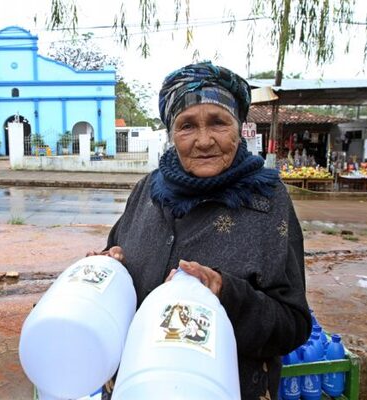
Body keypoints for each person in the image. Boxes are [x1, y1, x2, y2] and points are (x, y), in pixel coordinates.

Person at [91, 62, 311, 399]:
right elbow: (118, 268)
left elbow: (292, 325)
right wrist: (107, 270)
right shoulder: (146, 191)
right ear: (171, 133)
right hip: (134, 387)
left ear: (239, 128)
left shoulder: (268, 202)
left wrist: (226, 294)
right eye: (187, 126)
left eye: (218, 123)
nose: (204, 140)